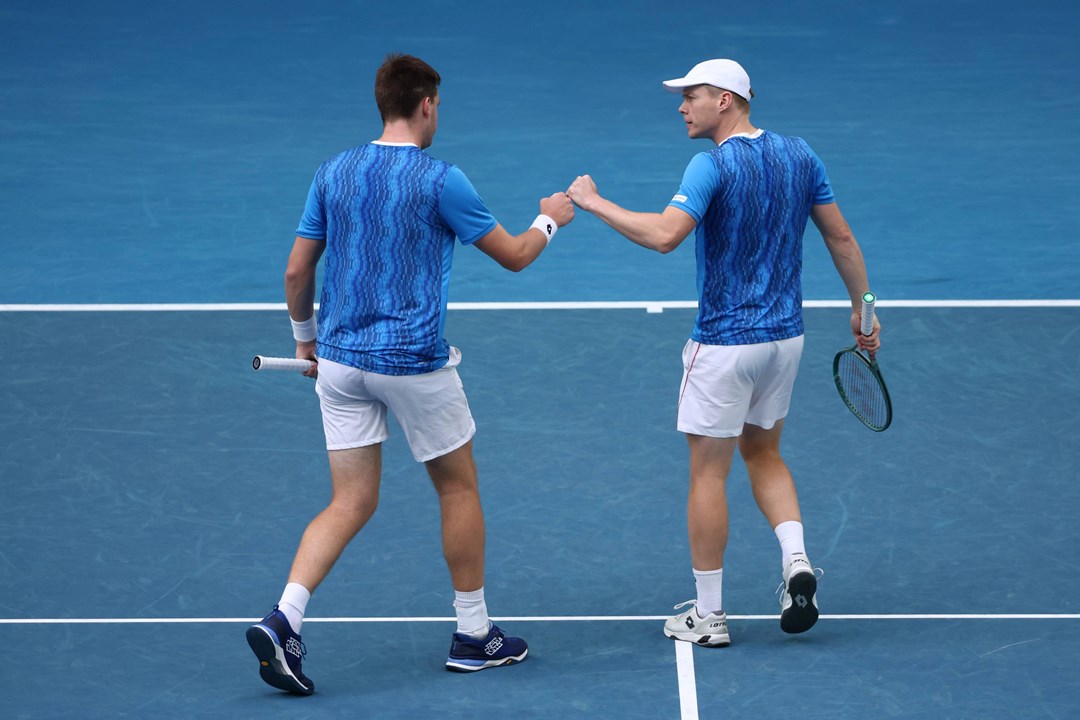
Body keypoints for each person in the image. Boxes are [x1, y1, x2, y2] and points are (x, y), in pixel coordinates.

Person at [246, 53, 574, 694]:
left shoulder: (333, 171)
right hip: (414, 366)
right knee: (457, 488)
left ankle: (284, 617)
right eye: (439, 105)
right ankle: (475, 635)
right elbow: (514, 256)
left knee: (349, 500)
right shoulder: (441, 179)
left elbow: (295, 273)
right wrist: (550, 219)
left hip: (338, 364)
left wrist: (305, 344)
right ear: (426, 104)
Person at [567, 59, 879, 647]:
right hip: (785, 340)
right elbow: (840, 236)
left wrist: (594, 201)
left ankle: (708, 616)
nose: (682, 108)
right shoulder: (800, 155)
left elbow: (664, 235)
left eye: (692, 97)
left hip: (725, 346)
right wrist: (864, 307)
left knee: (709, 471)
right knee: (764, 453)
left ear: (727, 101)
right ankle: (797, 565)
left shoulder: (710, 165)